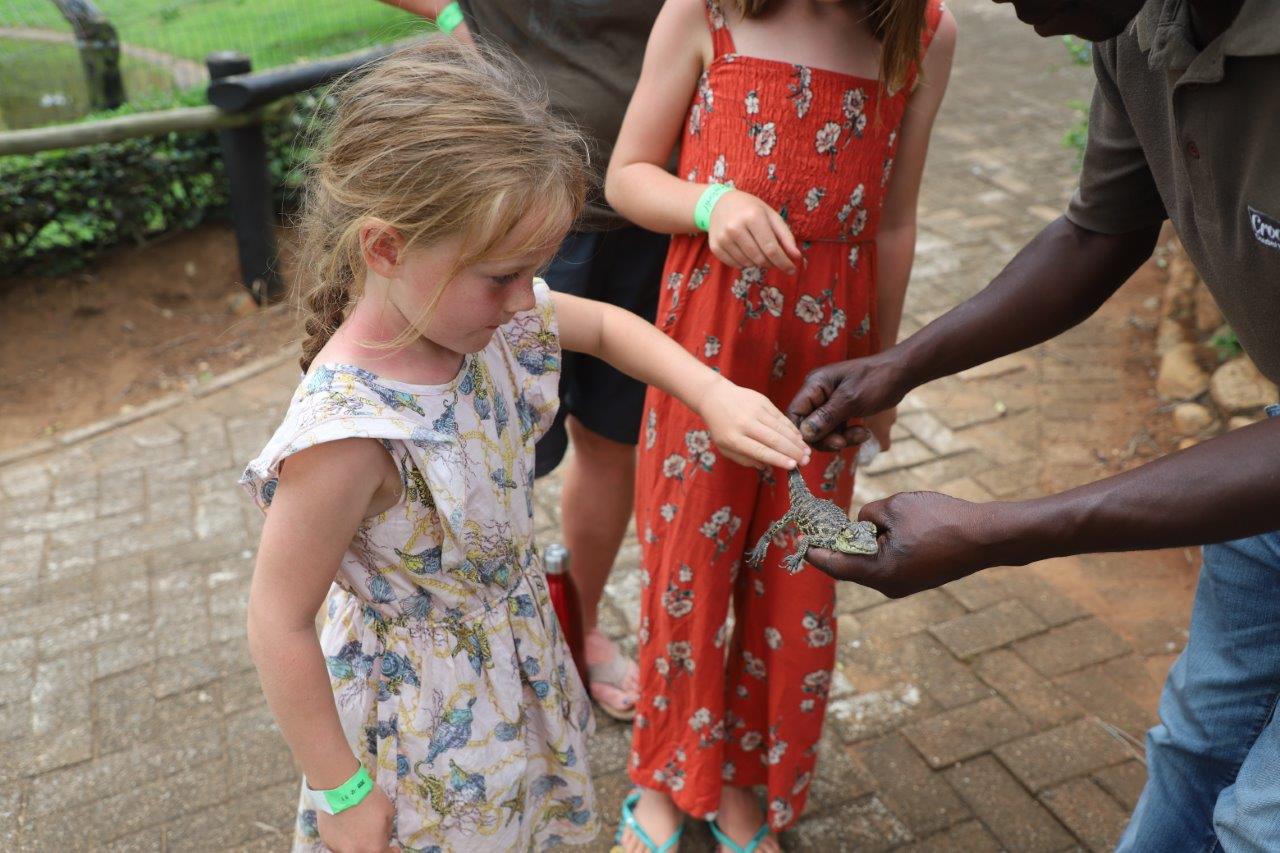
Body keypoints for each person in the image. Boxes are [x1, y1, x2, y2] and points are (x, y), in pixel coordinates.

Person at [239, 40, 810, 853]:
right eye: (503, 276)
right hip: (419, 740)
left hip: (512, 680)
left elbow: (604, 326)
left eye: (532, 272)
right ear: (385, 247)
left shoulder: (479, 322)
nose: (525, 301)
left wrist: (712, 393)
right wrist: (342, 789)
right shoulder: (351, 433)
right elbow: (277, 618)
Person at [787, 0, 1280, 849]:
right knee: (1198, 742)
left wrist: (998, 532)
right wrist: (897, 366)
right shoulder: (1139, 25)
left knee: (1257, 823)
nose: (1013, 8)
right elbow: (1100, 233)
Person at [604, 0, 955, 848]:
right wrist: (711, 204)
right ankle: (665, 776)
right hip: (706, 350)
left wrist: (884, 374)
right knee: (685, 567)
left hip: (828, 362)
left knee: (796, 577)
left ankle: (745, 782)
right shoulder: (707, 10)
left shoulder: (923, 33)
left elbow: (895, 220)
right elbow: (627, 176)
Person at [375, 0, 668, 722]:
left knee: (611, 441)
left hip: (650, 213)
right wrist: (452, 15)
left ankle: (574, 627)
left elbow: (608, 331)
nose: (521, 305)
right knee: (486, 453)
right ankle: (486, 650)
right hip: (516, 213)